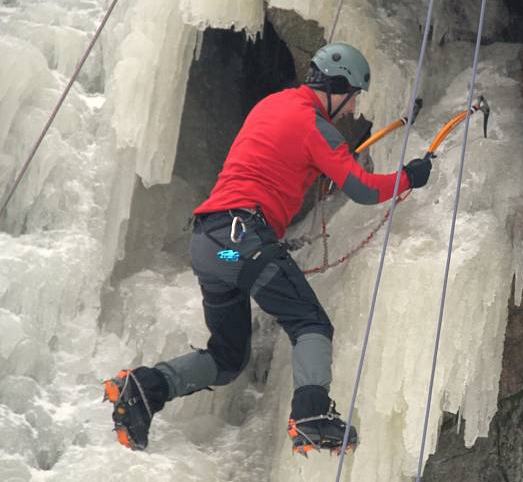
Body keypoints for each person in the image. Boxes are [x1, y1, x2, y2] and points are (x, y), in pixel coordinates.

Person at [103, 43, 432, 453]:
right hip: (242, 239)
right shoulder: (314, 125)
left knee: (226, 359)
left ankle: (145, 386)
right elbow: (364, 189)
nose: (351, 110)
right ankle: (312, 414)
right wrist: (409, 177)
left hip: (213, 249)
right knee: (310, 322)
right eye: (353, 98)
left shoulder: (272, 105)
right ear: (338, 86)